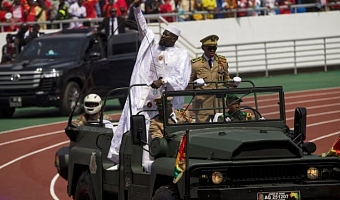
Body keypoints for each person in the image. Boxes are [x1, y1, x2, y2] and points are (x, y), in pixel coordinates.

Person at [107, 0, 191, 167]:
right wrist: (137, 8)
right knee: (132, 128)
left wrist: (163, 81)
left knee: (158, 134)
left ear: (174, 38)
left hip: (165, 103)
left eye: (167, 35)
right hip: (143, 97)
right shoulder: (152, 45)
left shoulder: (181, 54)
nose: (163, 36)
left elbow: (182, 78)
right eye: (164, 33)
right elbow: (142, 26)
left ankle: (152, 164)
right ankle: (122, 160)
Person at [190, 34, 241, 123]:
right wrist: (195, 84)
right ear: (203, 48)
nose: (212, 50)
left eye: (214, 48)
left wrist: (234, 83)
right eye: (209, 48)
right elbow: (187, 84)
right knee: (202, 128)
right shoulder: (195, 64)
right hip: (203, 103)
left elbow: (225, 81)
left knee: (220, 128)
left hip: (218, 102)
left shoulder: (222, 62)